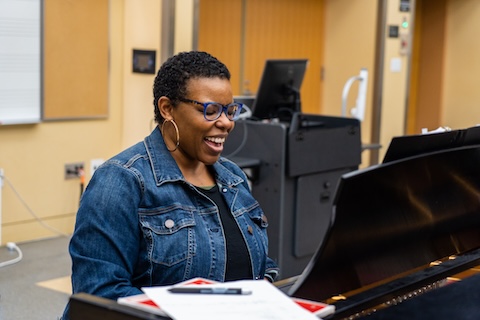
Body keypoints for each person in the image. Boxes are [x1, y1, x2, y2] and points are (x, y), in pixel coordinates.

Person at [61, 51, 279, 319]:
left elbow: (258, 266)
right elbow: (98, 297)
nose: (225, 123)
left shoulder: (233, 177)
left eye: (230, 110)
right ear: (167, 109)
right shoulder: (120, 181)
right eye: (210, 111)